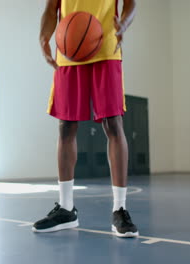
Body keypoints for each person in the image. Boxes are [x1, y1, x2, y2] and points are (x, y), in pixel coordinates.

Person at [32, 0, 139, 238]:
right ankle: (66, 209)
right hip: (69, 51)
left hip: (106, 48)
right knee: (66, 127)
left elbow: (131, 4)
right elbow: (51, 9)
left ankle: (119, 209)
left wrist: (123, 24)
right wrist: (44, 38)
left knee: (113, 123)